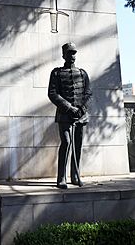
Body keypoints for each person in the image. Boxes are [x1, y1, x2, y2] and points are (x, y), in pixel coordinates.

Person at [48, 42, 92, 189]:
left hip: (81, 114)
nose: (72, 56)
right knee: (66, 142)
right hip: (64, 114)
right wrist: (69, 108)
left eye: (74, 53)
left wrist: (80, 108)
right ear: (63, 55)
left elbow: (87, 93)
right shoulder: (56, 73)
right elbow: (53, 93)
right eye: (69, 53)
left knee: (78, 145)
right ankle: (61, 177)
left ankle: (75, 175)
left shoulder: (82, 73)